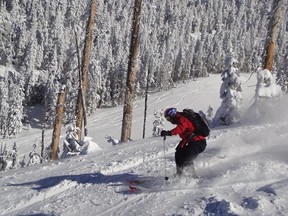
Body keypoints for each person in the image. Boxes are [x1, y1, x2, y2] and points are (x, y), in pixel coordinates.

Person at [160, 107, 207, 177]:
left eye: (169, 118)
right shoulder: (180, 119)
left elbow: (180, 128)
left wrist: (169, 133)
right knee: (178, 154)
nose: (169, 120)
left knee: (187, 158)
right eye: (167, 119)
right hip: (192, 142)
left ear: (172, 115)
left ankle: (193, 176)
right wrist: (180, 146)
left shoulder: (182, 119)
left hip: (198, 142)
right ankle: (179, 174)